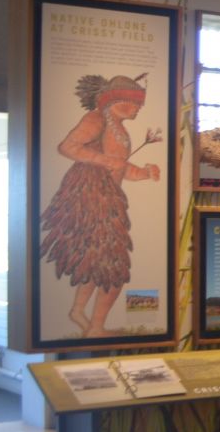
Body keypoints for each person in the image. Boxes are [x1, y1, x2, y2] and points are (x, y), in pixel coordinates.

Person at [39, 73, 161, 338]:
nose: (137, 108)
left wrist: (143, 172)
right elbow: (68, 147)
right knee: (112, 264)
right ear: (113, 100)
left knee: (100, 261)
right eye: (133, 102)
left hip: (107, 198)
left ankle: (81, 315)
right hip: (91, 198)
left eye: (139, 104)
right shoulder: (96, 120)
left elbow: (120, 166)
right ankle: (95, 327)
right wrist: (105, 161)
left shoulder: (120, 128)